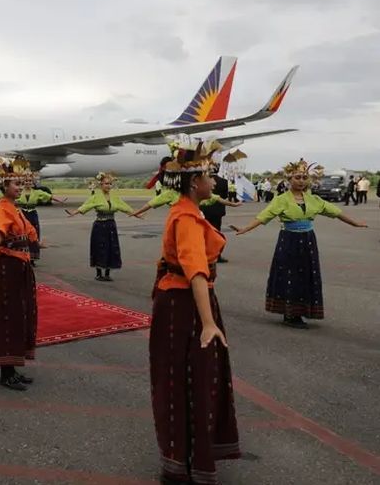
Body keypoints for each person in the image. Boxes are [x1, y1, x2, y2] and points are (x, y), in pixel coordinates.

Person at [149, 133, 240, 485]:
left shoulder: (189, 211)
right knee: (187, 381)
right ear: (194, 182)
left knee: (188, 380)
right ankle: (181, 465)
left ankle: (184, 458)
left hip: (182, 300)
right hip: (185, 305)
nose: (214, 180)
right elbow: (195, 271)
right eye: (209, 175)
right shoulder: (186, 217)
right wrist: (207, 322)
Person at [233, 159, 367, 328]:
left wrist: (354, 223)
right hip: (289, 240)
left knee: (306, 275)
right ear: (289, 180)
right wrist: (245, 228)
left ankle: (302, 310)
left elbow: (336, 212)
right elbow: (263, 216)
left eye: (304, 177)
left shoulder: (314, 199)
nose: (301, 180)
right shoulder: (281, 199)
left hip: (308, 241)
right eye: (297, 177)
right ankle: (290, 314)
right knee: (290, 275)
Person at [0, 156, 39, 391]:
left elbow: (28, 233)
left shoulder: (14, 208)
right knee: (8, 317)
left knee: (19, 316)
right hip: (8, 268)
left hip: (20, 266)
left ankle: (13, 367)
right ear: (4, 186)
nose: (20, 186)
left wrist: (36, 243)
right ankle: (6, 372)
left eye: (21, 183)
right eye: (15, 183)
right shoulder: (1, 209)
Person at [66, 171, 136, 281]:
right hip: (100, 225)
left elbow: (124, 206)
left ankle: (107, 272)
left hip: (111, 225)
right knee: (99, 248)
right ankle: (99, 273)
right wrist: (74, 212)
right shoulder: (96, 197)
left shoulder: (114, 197)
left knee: (111, 248)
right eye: (106, 184)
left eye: (109, 184)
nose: (108, 186)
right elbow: (86, 206)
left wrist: (136, 213)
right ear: (101, 185)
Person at [15, 172, 63, 264]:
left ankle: (33, 258)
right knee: (22, 234)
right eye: (26, 181)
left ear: (32, 182)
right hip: (22, 214)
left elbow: (49, 196)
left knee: (34, 234)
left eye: (29, 181)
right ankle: (23, 256)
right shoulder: (20, 191)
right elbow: (11, 198)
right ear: (23, 182)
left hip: (32, 214)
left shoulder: (37, 192)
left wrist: (59, 200)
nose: (28, 183)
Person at [201, 162, 240, 263]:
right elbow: (224, 196)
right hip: (217, 210)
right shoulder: (223, 181)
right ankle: (216, 256)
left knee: (203, 232)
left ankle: (202, 254)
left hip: (204, 209)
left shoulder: (204, 180)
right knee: (216, 233)